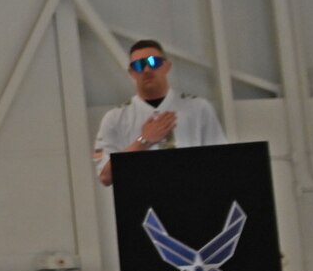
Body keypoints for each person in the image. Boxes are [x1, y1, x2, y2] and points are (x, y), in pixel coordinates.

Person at [93, 39, 225, 186]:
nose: (147, 70)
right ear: (131, 72)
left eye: (153, 62)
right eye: (139, 65)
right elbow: (105, 177)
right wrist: (143, 141)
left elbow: (221, 164)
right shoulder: (115, 118)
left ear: (167, 66)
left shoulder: (198, 108)